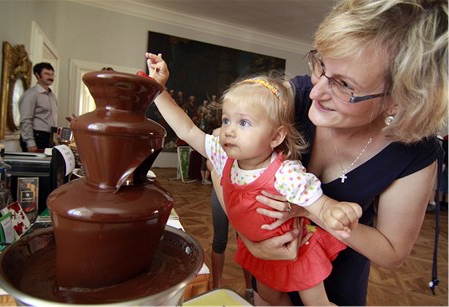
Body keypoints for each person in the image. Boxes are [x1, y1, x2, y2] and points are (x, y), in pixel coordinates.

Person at [220, 0, 446, 305]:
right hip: (271, 274)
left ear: (397, 100)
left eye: (343, 85)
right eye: (321, 66)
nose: (316, 92)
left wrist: (312, 209)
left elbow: (392, 253)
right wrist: (253, 242)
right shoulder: (293, 98)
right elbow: (221, 165)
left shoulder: (414, 154)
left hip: (335, 286)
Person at [145, 52, 362, 306]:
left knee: (317, 303)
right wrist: (158, 90)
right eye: (226, 120)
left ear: (275, 136)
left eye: (244, 122)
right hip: (262, 251)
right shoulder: (223, 155)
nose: (229, 130)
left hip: (296, 252)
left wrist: (336, 211)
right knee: (270, 298)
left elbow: (320, 204)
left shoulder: (285, 173)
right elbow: (187, 129)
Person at [19, 62, 58, 152]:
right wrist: (30, 143)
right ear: (37, 75)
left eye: (52, 74)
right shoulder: (30, 95)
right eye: (46, 74)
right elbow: (25, 120)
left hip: (49, 137)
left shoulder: (52, 96)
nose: (51, 77)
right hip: (36, 137)